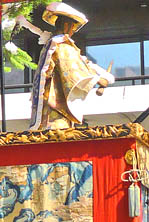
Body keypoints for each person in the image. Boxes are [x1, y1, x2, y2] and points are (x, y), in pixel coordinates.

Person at [29, 2, 115, 130]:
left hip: (47, 103)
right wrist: (99, 80)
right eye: (73, 27)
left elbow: (80, 65)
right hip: (55, 106)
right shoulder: (62, 46)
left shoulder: (51, 45)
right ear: (66, 25)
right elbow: (73, 71)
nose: (73, 31)